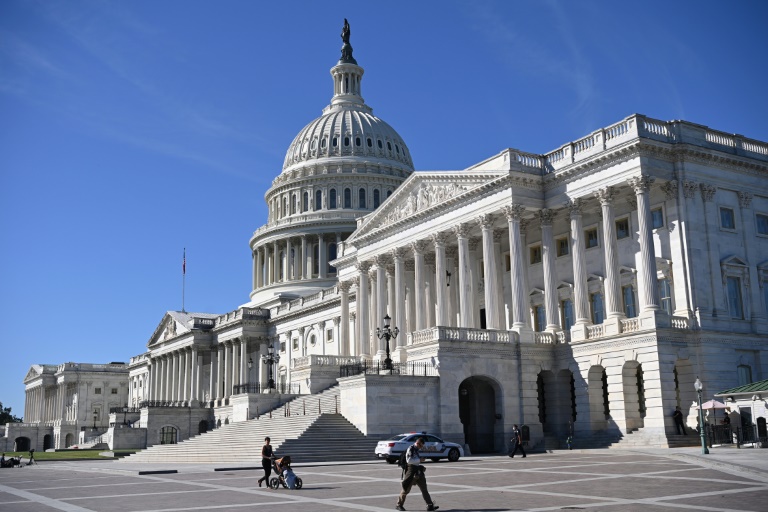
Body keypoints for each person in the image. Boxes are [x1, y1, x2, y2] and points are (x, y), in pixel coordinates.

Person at [396, 437, 439, 511]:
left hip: (418, 472)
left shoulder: (416, 449)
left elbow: (415, 461)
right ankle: (399, 505)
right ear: (418, 443)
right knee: (406, 489)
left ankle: (430, 505)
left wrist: (419, 462)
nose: (421, 447)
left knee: (424, 489)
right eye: (421, 446)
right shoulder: (411, 449)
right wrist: (420, 460)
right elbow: (409, 461)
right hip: (411, 472)